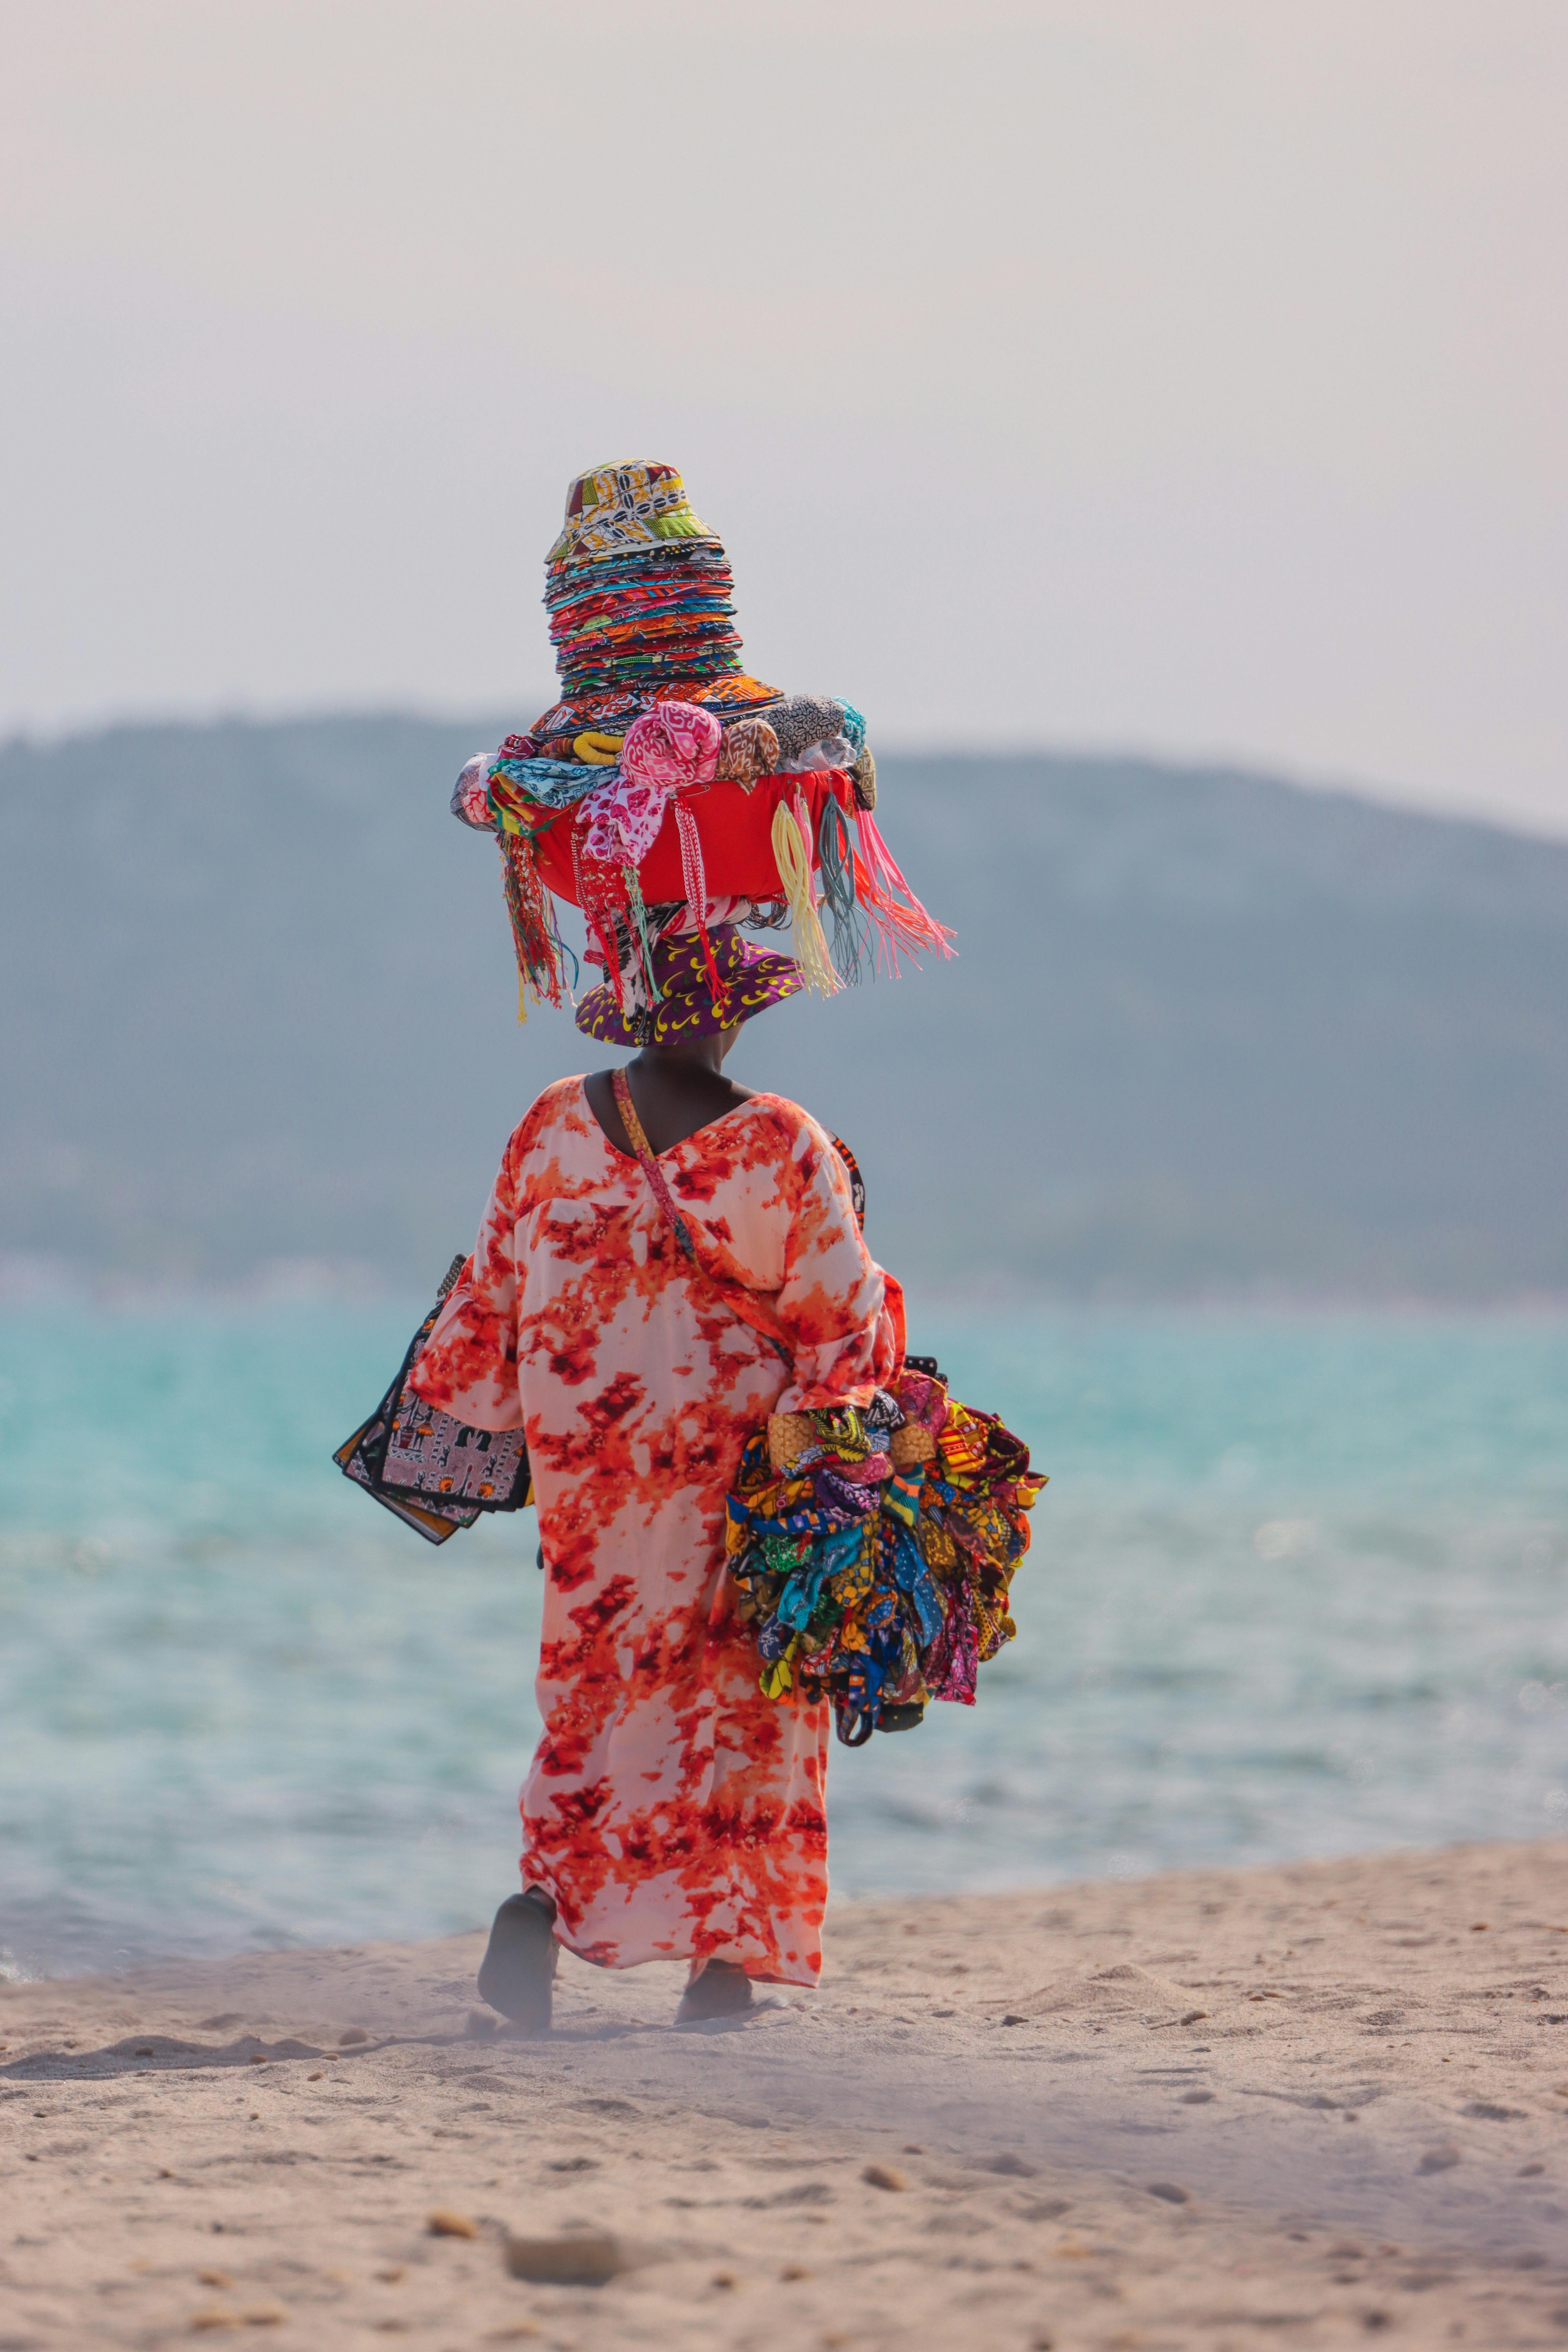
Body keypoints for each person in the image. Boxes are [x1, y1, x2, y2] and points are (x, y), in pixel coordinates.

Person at [408, 913, 904, 2029]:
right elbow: (844, 1331)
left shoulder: (548, 1123)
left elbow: (489, 1297)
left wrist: (474, 1450)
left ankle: (537, 1912)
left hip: (591, 1473)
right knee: (745, 1706)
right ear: (732, 1013)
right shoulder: (780, 1142)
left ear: (634, 1011)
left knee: (592, 1692)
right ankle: (724, 1971)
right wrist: (845, 1466)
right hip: (739, 1476)